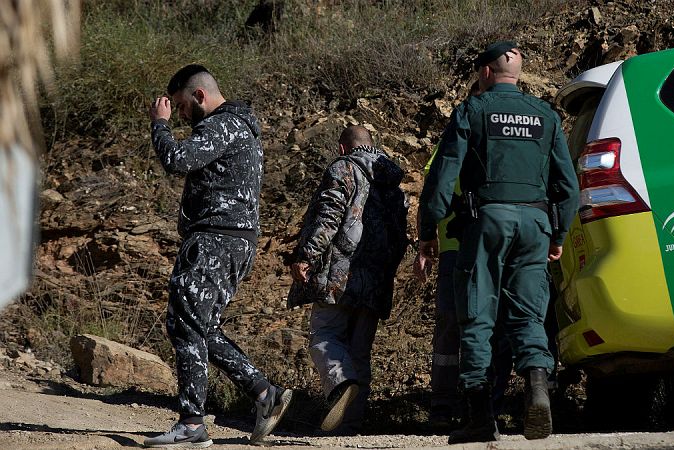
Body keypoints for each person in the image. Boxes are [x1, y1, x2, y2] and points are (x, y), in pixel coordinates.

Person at [417, 41, 579, 443]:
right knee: (527, 315)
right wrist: (557, 235)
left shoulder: (473, 110)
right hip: (536, 226)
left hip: (487, 224)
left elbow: (441, 178)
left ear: (486, 72)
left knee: (477, 316)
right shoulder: (545, 115)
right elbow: (568, 188)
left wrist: (427, 231)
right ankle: (537, 391)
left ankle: (479, 418)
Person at [145, 64, 292, 447]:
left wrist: (159, 124)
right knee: (199, 326)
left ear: (199, 96)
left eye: (179, 106)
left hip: (215, 240)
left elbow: (177, 160)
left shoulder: (221, 126)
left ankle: (192, 424)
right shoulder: (240, 128)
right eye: (172, 110)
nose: (177, 114)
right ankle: (264, 393)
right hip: (231, 241)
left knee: (186, 324)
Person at [288, 125, 408, 435]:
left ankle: (341, 385)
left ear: (343, 148)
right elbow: (400, 237)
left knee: (324, 335)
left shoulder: (343, 168)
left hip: (339, 272)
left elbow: (328, 217)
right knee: (359, 351)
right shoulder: (393, 182)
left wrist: (307, 255)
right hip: (377, 280)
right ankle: (349, 424)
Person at [414, 81, 514, 430]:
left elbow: (432, 188)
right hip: (473, 249)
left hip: (468, 249)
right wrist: (424, 240)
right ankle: (461, 406)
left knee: (460, 329)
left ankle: (470, 406)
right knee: (471, 328)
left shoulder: (469, 137)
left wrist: (424, 240)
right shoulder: (485, 137)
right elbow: (432, 189)